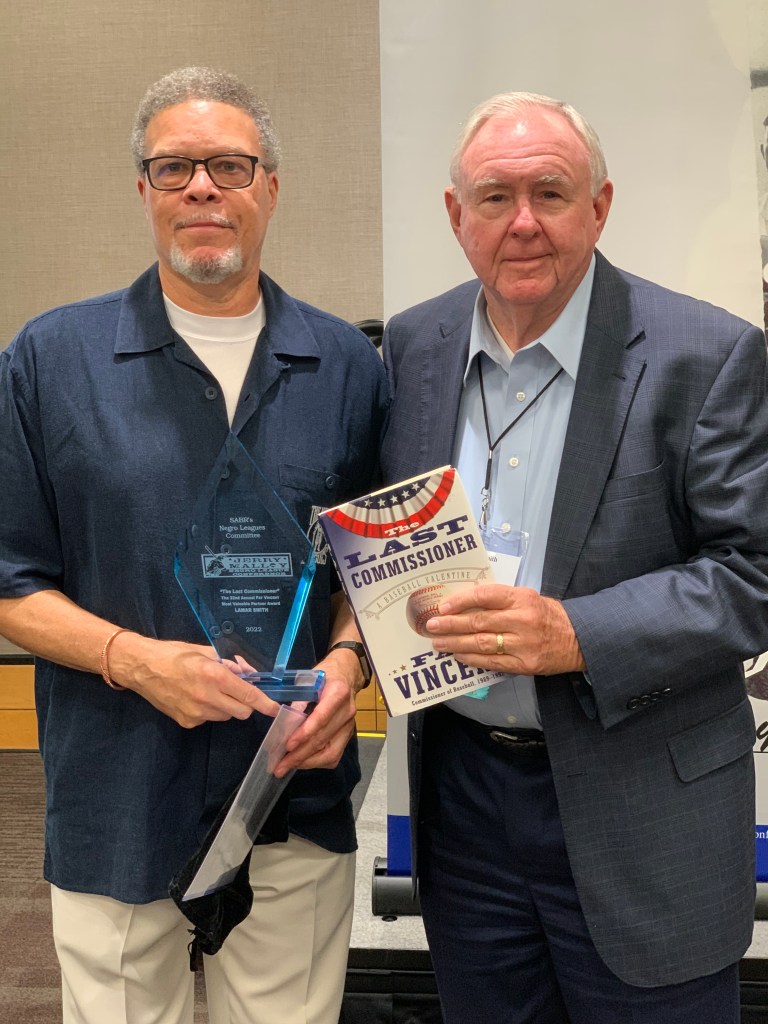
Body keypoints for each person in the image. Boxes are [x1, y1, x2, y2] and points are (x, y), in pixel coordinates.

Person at [0, 67, 388, 1024]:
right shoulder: (50, 361)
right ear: (144, 190)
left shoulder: (347, 366)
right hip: (119, 790)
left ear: (271, 187)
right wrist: (133, 661)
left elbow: (374, 567)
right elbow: (10, 580)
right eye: (174, 168)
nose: (202, 187)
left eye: (229, 166)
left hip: (291, 787)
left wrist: (347, 665)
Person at [380, 91, 768, 1024]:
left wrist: (574, 634)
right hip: (465, 807)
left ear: (599, 206)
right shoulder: (415, 345)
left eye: (550, 193)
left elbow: (753, 573)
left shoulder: (707, 354)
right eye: (494, 197)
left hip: (646, 809)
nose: (522, 223)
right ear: (455, 215)